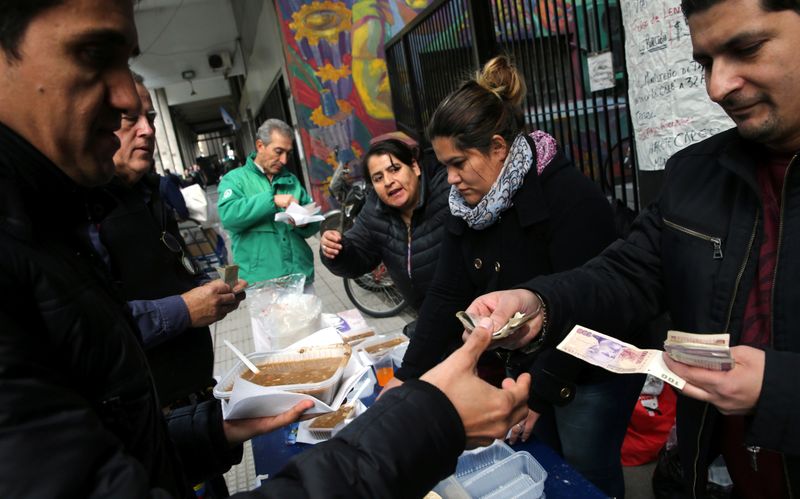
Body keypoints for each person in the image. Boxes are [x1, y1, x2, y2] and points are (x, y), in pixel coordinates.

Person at [0, 5, 529, 495]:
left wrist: (209, 429)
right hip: (266, 291)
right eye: (94, 55)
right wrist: (422, 421)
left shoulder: (54, 228)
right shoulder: (231, 182)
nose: (124, 106)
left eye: (398, 170)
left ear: (417, 168)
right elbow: (273, 229)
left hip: (307, 294)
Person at [465, 1, 800, 496]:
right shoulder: (694, 174)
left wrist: (779, 390)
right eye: (705, 63)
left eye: (746, 48)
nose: (717, 86)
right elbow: (627, 274)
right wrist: (539, 304)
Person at [382, 56, 643, 497]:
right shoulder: (467, 207)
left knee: (584, 473)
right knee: (544, 462)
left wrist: (540, 395)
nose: (450, 179)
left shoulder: (568, 196)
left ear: (499, 147)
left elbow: (592, 307)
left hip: (592, 368)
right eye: (443, 164)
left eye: (459, 163)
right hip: (531, 366)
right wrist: (409, 378)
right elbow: (447, 292)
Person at [100, 74, 245, 415]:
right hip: (146, 409)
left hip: (192, 390)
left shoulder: (151, 192)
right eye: (128, 119)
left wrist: (206, 292)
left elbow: (174, 264)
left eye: (150, 117)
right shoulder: (84, 212)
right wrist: (183, 310)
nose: (147, 130)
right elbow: (96, 329)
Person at [320, 137, 450, 311]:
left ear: (414, 167)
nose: (388, 182)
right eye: (378, 178)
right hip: (428, 318)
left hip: (475, 313)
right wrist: (336, 249)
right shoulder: (375, 209)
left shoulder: (447, 191)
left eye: (394, 169)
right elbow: (358, 257)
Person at [218, 119, 320, 288]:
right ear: (260, 146)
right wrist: (271, 200)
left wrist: (302, 223)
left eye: (288, 153)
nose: (284, 160)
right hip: (262, 284)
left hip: (300, 277)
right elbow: (229, 216)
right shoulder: (235, 180)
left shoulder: (291, 180)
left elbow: (312, 224)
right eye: (278, 151)